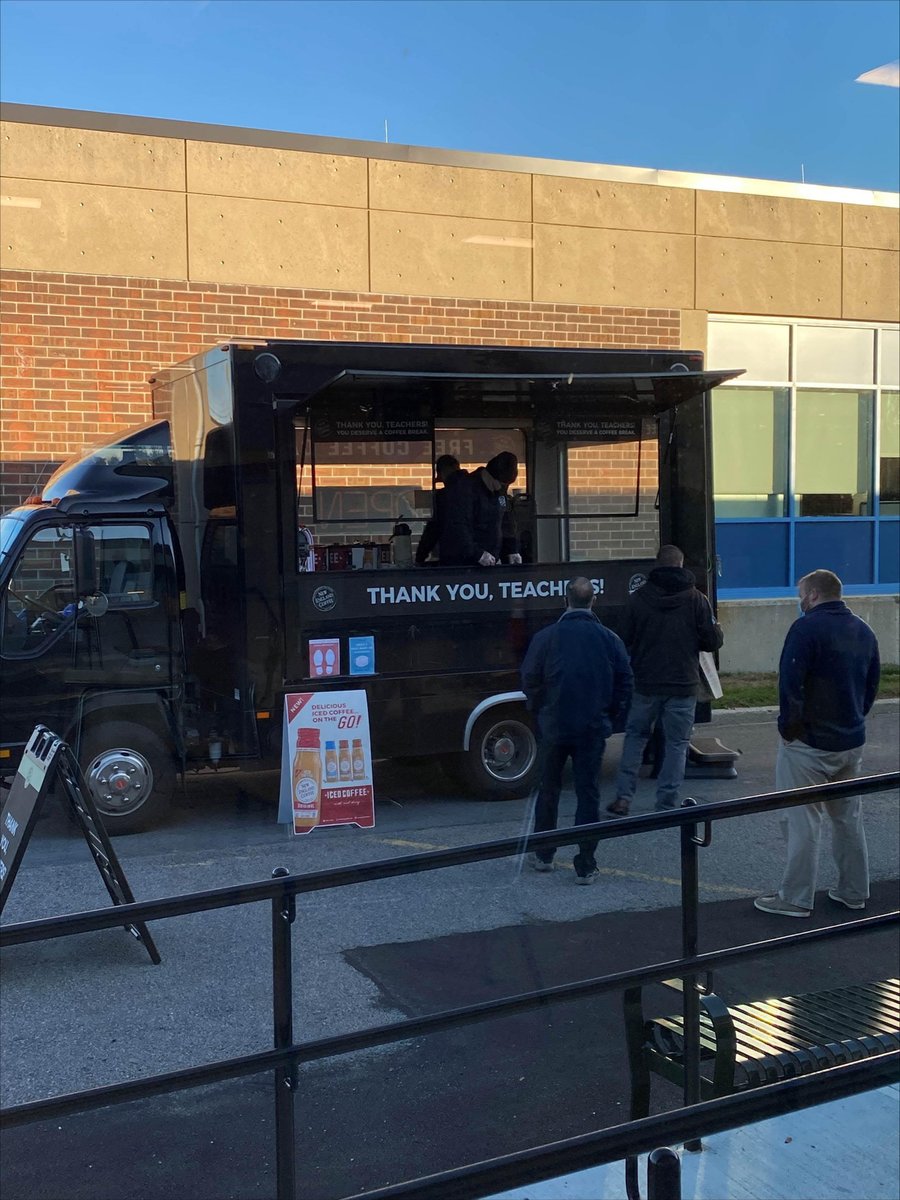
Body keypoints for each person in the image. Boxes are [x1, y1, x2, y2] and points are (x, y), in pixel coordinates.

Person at [754, 569, 880, 918]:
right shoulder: (864, 630)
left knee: (802, 821)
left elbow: (790, 684)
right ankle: (854, 891)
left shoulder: (805, 629)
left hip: (808, 742)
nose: (800, 601)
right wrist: (855, 718)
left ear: (812, 595)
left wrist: (789, 729)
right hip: (850, 738)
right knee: (847, 818)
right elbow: (871, 684)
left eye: (801, 595)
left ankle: (795, 898)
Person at [522, 577, 633, 884]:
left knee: (549, 790)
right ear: (593, 601)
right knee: (588, 793)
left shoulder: (546, 637)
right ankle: (586, 863)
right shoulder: (609, 638)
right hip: (592, 727)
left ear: (565, 600)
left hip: (554, 725)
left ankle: (544, 854)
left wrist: (541, 710)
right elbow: (625, 681)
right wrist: (609, 714)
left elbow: (529, 678)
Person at [607, 545, 724, 816]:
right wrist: (716, 629)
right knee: (676, 744)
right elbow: (711, 641)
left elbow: (623, 637)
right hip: (682, 684)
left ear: (657, 565)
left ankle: (623, 798)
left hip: (646, 683)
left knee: (635, 738)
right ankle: (667, 803)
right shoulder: (697, 600)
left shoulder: (638, 599)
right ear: (681, 565)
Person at [438, 451, 522, 567]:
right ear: (488, 475)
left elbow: (506, 521)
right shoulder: (464, 490)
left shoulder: (499, 492)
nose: (501, 488)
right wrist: (478, 554)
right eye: (500, 484)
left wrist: (512, 549)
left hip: (491, 560)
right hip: (464, 563)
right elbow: (458, 526)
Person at [415, 454, 466, 565]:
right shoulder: (476, 488)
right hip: (480, 559)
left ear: (443, 473)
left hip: (453, 557)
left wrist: (419, 557)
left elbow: (433, 529)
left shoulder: (444, 496)